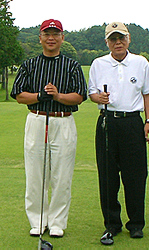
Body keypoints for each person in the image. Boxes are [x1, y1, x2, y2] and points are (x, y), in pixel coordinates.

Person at [11, 19, 87, 237]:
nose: (51, 38)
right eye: (47, 34)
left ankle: (57, 223)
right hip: (36, 119)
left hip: (62, 121)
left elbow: (79, 96)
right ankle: (38, 220)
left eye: (55, 34)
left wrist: (57, 96)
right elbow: (18, 95)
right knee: (35, 174)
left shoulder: (71, 65)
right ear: (40, 38)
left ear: (62, 37)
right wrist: (38, 96)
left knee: (62, 175)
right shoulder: (30, 65)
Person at [88, 22, 149, 243]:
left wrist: (148, 121)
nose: (118, 42)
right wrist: (98, 98)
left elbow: (147, 94)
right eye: (113, 39)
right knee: (107, 176)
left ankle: (136, 224)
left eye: (121, 38)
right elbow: (92, 94)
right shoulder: (98, 64)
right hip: (107, 121)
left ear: (129, 39)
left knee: (135, 175)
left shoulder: (140, 62)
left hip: (133, 122)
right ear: (107, 42)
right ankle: (112, 224)